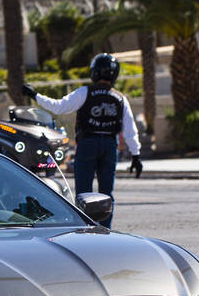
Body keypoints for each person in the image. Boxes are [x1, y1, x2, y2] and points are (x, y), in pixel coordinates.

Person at [22, 53, 141, 228]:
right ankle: (105, 229)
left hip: (87, 145)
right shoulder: (120, 99)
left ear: (95, 72)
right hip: (109, 146)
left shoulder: (85, 92)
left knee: (84, 192)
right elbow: (130, 129)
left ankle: (86, 228)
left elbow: (58, 106)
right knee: (107, 193)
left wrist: (35, 95)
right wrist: (136, 155)